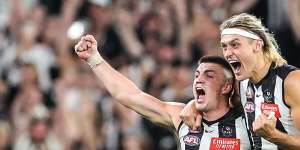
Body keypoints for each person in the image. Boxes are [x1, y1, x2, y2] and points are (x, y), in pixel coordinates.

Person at [74, 35, 251, 150]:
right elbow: (130, 96)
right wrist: (94, 59)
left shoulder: (248, 121)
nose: (199, 79)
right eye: (197, 75)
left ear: (226, 87)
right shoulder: (181, 118)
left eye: (209, 75)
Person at [180, 13, 300, 150]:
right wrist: (194, 104)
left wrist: (274, 136)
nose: (228, 53)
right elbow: (221, 103)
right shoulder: (242, 84)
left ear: (257, 45)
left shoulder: (292, 82)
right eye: (224, 46)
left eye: (235, 45)